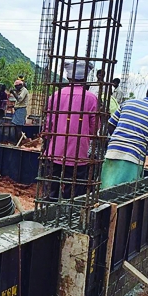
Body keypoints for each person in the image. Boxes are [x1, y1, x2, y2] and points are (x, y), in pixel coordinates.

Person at [101, 82, 148, 189]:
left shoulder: (127, 103)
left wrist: (119, 139)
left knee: (105, 189)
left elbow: (110, 125)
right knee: (124, 193)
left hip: (112, 152)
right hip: (132, 158)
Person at [44, 60, 98, 199]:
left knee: (51, 188)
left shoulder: (56, 96)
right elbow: (93, 128)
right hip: (78, 152)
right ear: (85, 78)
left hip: (56, 150)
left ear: (68, 77)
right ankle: (69, 209)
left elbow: (48, 125)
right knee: (74, 191)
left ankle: (48, 207)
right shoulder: (91, 98)